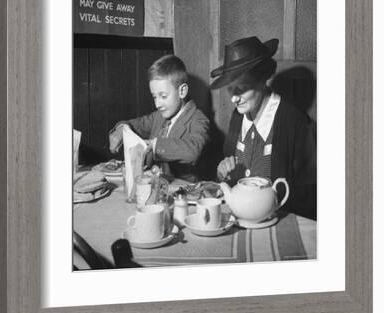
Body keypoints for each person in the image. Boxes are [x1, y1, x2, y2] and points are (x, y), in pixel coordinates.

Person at [211, 36, 316, 219]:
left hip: (281, 220)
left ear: (262, 80)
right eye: (230, 89)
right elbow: (231, 170)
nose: (234, 99)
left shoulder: (294, 121)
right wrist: (224, 171)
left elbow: (312, 192)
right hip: (241, 217)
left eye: (242, 89)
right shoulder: (238, 116)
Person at [109, 54, 209, 182]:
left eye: (163, 96)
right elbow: (135, 124)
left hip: (183, 193)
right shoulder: (159, 116)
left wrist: (154, 145)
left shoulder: (198, 119)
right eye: (154, 97)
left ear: (182, 91)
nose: (157, 104)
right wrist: (121, 129)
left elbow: (194, 150)